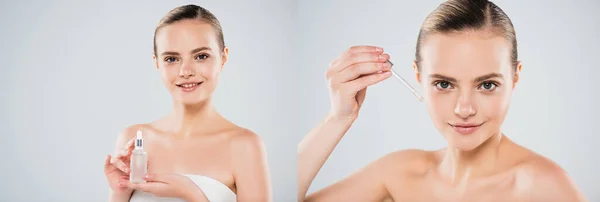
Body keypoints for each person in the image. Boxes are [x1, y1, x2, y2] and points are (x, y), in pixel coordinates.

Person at [297, 0, 587, 201]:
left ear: (515, 77)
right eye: (444, 84)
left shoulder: (543, 186)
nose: (464, 109)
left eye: (487, 84)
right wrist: (337, 119)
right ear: (418, 76)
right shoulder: (399, 174)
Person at [103, 4, 272, 202]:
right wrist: (119, 191)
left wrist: (194, 195)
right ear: (157, 63)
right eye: (172, 58)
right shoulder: (133, 140)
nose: (185, 71)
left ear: (223, 57)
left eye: (201, 56)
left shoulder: (245, 146)